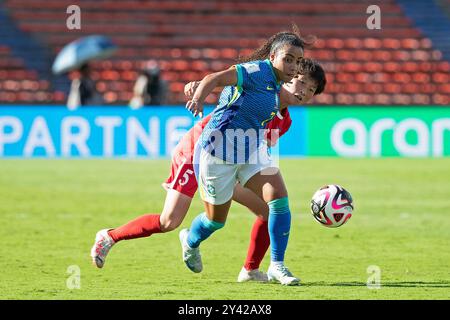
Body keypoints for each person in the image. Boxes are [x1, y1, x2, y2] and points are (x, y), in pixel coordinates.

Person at [90, 57, 326, 283]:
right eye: (302, 81)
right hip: (198, 152)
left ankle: (250, 270)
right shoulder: (262, 89)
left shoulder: (284, 121)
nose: (304, 90)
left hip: (234, 161)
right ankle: (109, 236)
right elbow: (230, 87)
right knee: (169, 221)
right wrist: (198, 88)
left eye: (311, 89)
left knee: (267, 209)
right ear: (289, 75)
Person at [180, 26, 314, 285]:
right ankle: (190, 240)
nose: (292, 65)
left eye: (297, 61)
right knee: (215, 221)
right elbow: (215, 78)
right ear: (273, 56)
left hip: (250, 149)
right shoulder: (256, 71)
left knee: (278, 200)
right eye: (287, 58)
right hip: (216, 152)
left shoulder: (279, 85)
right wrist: (198, 97)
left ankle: (277, 265)